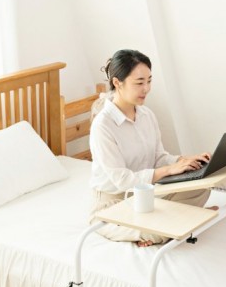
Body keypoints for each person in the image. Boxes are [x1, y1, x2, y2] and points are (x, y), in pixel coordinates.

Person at [89, 49, 213, 247]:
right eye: (139, 83)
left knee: (202, 187)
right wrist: (168, 170)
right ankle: (182, 222)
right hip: (113, 204)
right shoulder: (103, 125)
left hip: (146, 196)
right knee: (153, 231)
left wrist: (184, 161)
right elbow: (122, 180)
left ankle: (177, 223)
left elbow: (158, 157)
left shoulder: (146, 115)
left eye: (149, 81)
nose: (146, 88)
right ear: (117, 83)